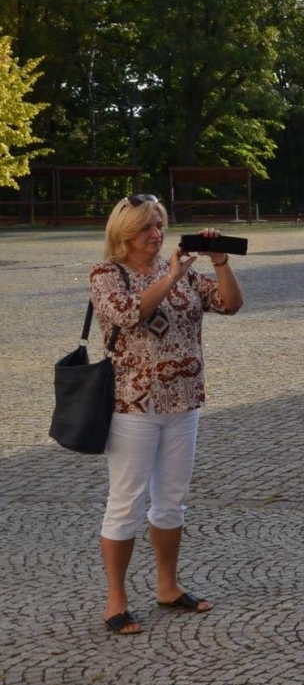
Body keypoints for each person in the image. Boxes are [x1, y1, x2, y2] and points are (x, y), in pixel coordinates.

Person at [90, 197, 242, 635]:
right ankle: (116, 599)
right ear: (123, 233)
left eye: (159, 225)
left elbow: (230, 304)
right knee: (126, 502)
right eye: (145, 228)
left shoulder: (182, 273)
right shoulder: (107, 275)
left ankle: (168, 586)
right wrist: (172, 275)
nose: (156, 234)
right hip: (133, 405)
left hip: (183, 399)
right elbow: (131, 314)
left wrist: (221, 261)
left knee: (172, 500)